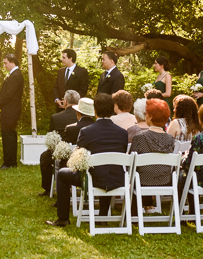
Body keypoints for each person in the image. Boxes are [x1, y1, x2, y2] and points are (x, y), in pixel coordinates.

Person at [47, 93, 128, 227]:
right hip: (117, 178)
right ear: (112, 109)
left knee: (62, 174)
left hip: (93, 178)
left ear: (95, 111)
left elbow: (78, 156)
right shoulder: (123, 132)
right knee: (107, 169)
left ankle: (63, 218)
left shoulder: (86, 131)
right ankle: (102, 216)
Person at [130, 99, 177, 210]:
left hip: (142, 180)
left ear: (150, 117)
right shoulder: (170, 139)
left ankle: (133, 213)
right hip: (165, 180)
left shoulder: (139, 137)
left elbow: (131, 163)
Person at [38, 90, 80, 196]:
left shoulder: (56, 117)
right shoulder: (84, 118)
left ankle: (48, 188)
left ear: (65, 102)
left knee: (45, 157)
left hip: (61, 154)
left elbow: (51, 136)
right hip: (80, 153)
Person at [0, 53, 24, 169]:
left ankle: (8, 162)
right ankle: (11, 161)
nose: (4, 65)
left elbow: (9, 94)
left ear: (13, 62)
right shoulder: (14, 75)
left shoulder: (16, 76)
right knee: (9, 135)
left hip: (11, 110)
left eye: (5, 63)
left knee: (8, 135)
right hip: (10, 109)